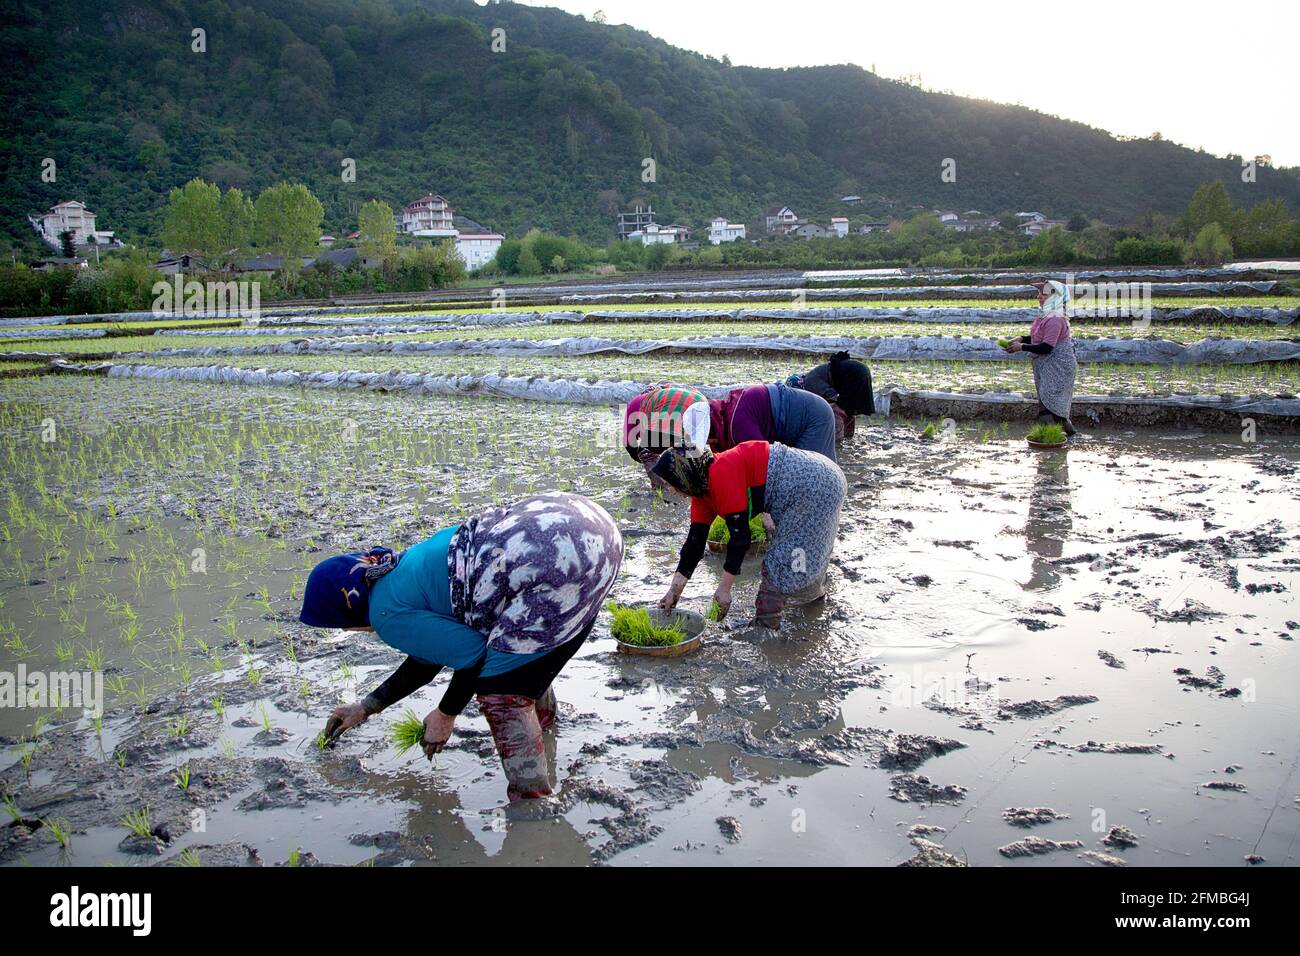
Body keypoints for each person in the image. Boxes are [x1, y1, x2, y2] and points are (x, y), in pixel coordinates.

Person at [299, 492, 623, 802]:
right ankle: (545, 727)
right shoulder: (402, 569)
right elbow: (428, 658)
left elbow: (472, 657)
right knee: (520, 653)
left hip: (556, 564)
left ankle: (532, 801)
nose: (347, 630)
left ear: (346, 610)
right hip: (591, 534)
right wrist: (367, 707)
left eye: (340, 624)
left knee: (501, 690)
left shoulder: (385, 614)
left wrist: (446, 714)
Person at [652, 441, 846, 629]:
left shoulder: (721, 472)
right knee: (803, 557)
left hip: (815, 485)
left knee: (782, 561)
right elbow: (694, 544)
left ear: (685, 473)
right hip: (819, 476)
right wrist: (674, 592)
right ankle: (812, 607)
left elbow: (740, 537)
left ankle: (766, 630)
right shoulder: (702, 491)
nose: (671, 490)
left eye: (671, 482)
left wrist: (724, 590)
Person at [1004, 278, 1077, 436]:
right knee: (1052, 407)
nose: (1039, 296)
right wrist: (1022, 339)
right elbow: (1039, 338)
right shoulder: (1045, 316)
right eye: (1039, 293)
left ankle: (1047, 439)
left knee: (1049, 406)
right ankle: (1068, 438)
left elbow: (1046, 347)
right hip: (1048, 366)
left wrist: (1021, 347)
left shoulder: (1055, 319)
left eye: (1042, 294)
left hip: (1058, 368)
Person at [786, 352, 875, 442]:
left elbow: (832, 397)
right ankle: (848, 437)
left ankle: (836, 441)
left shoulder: (810, 382)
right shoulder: (811, 377)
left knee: (837, 411)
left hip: (854, 375)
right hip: (861, 370)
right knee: (849, 410)